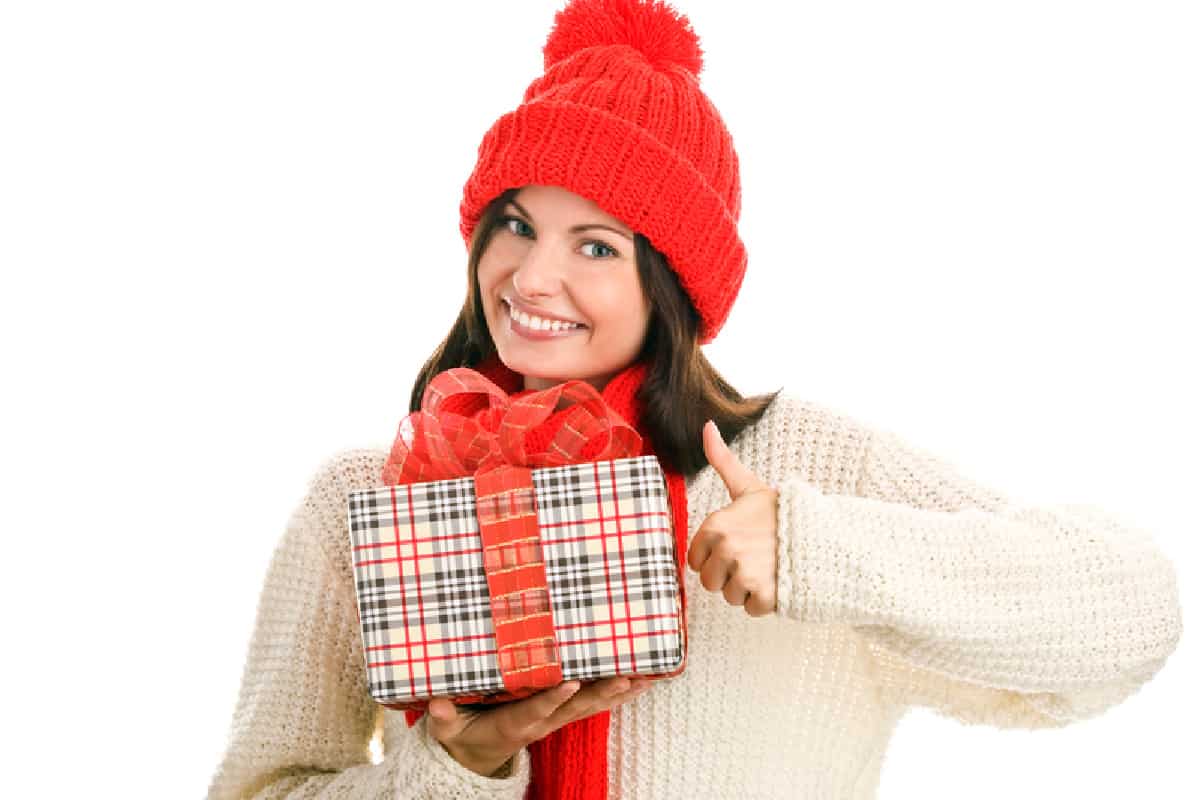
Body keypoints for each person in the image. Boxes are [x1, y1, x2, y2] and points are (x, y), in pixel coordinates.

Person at [206, 1, 1183, 798]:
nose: (531, 277)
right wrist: (451, 767)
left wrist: (818, 552)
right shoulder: (367, 500)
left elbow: (1133, 612)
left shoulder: (796, 470)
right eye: (514, 222)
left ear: (670, 283)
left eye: (596, 245)